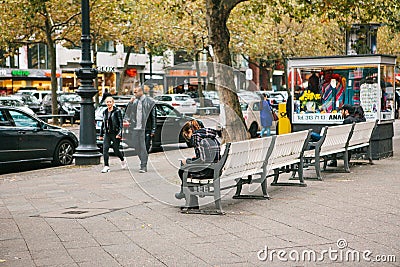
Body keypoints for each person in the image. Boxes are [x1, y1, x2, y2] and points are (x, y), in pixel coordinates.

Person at [175, 120, 221, 201]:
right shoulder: (210, 135)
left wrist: (188, 162)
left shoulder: (196, 136)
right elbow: (206, 155)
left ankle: (191, 201)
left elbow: (202, 160)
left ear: (189, 130)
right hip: (216, 169)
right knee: (187, 164)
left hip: (206, 171)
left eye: (186, 134)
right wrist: (194, 158)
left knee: (182, 170)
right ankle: (185, 193)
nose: (188, 137)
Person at [125, 86, 156, 173]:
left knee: (144, 148)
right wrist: (130, 103)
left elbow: (153, 117)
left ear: (141, 92)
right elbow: (127, 113)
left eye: (136, 92)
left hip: (145, 129)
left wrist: (153, 129)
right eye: (134, 92)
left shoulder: (150, 102)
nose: (134, 94)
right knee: (136, 146)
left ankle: (143, 166)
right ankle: (143, 160)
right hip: (135, 128)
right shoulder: (134, 102)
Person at [99, 96, 127, 173]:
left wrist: (119, 133)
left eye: (110, 102)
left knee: (116, 150)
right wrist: (101, 134)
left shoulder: (117, 111)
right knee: (105, 149)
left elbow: (121, 123)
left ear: (113, 102)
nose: (108, 103)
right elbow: (103, 123)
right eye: (107, 102)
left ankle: (122, 159)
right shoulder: (105, 112)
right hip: (107, 133)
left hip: (115, 133)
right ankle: (106, 166)